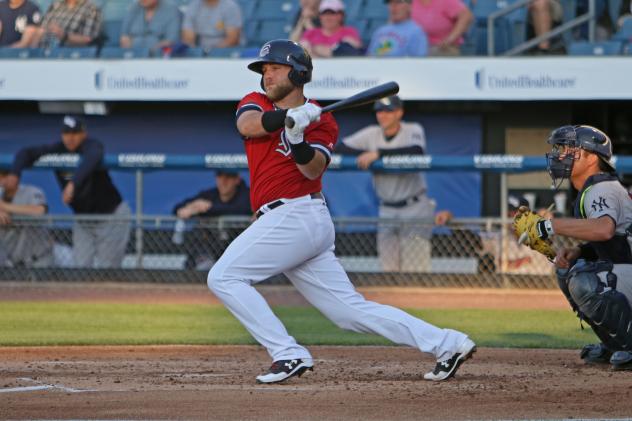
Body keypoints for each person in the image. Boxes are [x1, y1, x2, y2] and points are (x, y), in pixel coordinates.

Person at [207, 39, 476, 384]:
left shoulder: (324, 121)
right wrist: (288, 118)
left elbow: (312, 169)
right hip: (289, 220)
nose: (267, 75)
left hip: (298, 215)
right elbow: (248, 125)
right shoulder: (256, 102)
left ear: (298, 72)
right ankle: (447, 343)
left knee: (224, 277)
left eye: (275, 68)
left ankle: (287, 353)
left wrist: (299, 139)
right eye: (265, 69)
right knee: (349, 313)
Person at [528, 125, 632, 370]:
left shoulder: (601, 188)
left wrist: (551, 226)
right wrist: (580, 251)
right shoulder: (595, 188)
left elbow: (604, 229)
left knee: (584, 281)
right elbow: (614, 240)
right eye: (560, 148)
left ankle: (629, 345)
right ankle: (615, 344)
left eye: (569, 149)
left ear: (592, 157)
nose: (560, 154)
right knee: (570, 268)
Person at [336, 95, 444, 273]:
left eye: (388, 111)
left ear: (399, 112)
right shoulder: (372, 133)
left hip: (414, 207)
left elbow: (416, 151)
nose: (383, 115)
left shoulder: (412, 129)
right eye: (379, 111)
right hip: (386, 208)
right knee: (388, 271)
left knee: (415, 272)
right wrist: (369, 153)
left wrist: (379, 154)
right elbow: (340, 147)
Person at [9, 115, 131, 268]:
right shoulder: (58, 149)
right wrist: (15, 174)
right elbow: (26, 153)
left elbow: (94, 155)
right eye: (66, 133)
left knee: (108, 268)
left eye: (74, 133)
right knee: (81, 266)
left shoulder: (92, 145)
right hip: (83, 220)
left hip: (111, 216)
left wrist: (73, 184)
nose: (70, 138)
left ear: (83, 134)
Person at [172, 170, 251, 269]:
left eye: (228, 178)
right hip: (212, 246)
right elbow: (177, 208)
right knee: (201, 228)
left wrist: (209, 208)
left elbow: (241, 209)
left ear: (237, 179)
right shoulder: (210, 194)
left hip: (238, 247)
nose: (223, 182)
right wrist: (192, 206)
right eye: (220, 177)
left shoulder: (247, 194)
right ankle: (202, 261)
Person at [0, 169, 54, 267]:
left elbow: (39, 211)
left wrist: (4, 206)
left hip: (38, 259)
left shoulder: (31, 191)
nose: (2, 181)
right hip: (11, 262)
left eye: (5, 176)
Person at [28, 0, 102, 48]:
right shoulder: (56, 5)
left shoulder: (91, 9)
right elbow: (41, 29)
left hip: (68, 58)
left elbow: (88, 39)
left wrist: (63, 35)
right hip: (41, 56)